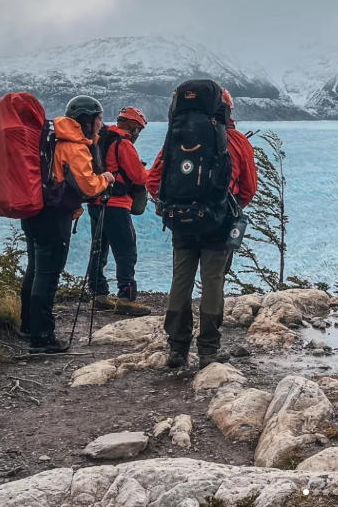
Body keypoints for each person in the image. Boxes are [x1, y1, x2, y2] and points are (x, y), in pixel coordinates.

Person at [147, 87, 257, 369]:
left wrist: (169, 205)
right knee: (213, 281)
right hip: (218, 224)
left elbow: (153, 179)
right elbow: (249, 187)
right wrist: (227, 208)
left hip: (180, 221)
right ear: (226, 110)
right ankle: (208, 349)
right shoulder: (236, 140)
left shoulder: (177, 136)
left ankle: (177, 348)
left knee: (180, 280)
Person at [20, 95, 114, 354]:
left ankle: (28, 326)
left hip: (35, 211)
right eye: (99, 119)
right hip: (54, 216)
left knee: (34, 269)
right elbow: (88, 186)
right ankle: (42, 337)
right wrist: (106, 178)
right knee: (48, 273)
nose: (101, 124)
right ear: (86, 120)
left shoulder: (55, 138)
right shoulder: (74, 147)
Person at [86, 106, 152, 317]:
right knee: (126, 250)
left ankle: (98, 294)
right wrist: (152, 172)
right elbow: (139, 176)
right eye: (138, 129)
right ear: (133, 127)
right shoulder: (123, 144)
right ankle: (126, 297)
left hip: (96, 201)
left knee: (99, 248)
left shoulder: (101, 140)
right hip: (116, 203)